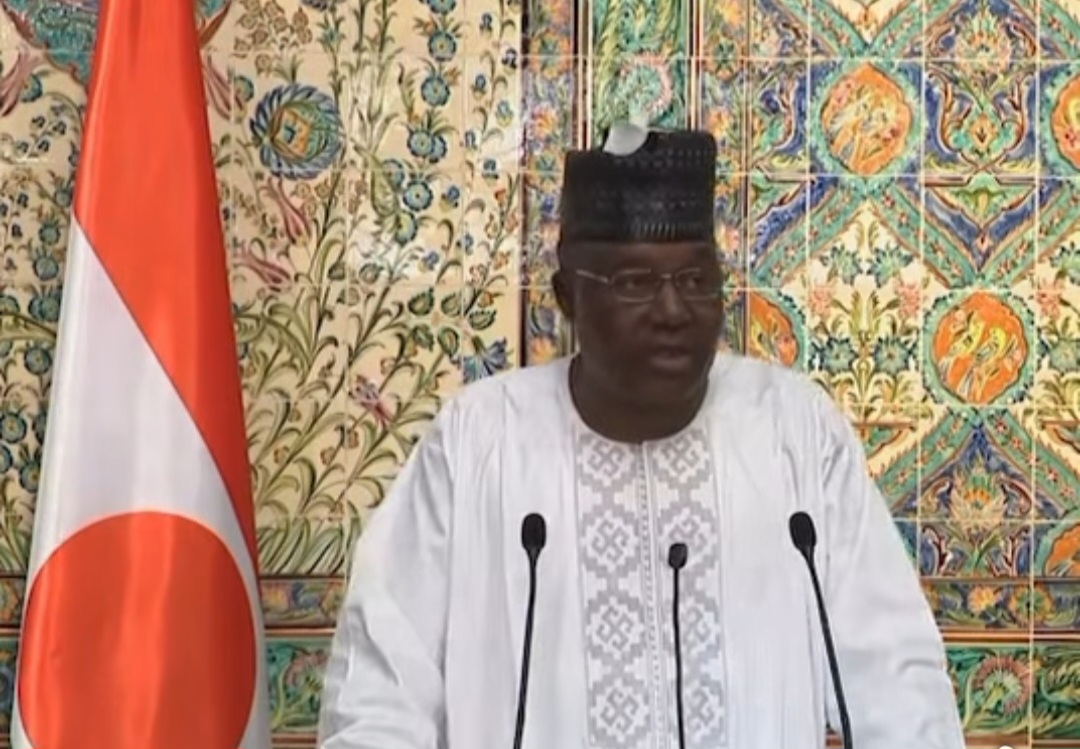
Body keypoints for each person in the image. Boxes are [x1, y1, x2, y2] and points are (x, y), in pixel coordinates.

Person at [316, 123, 966, 749]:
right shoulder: (479, 442)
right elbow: (380, 695)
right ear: (567, 296)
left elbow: (897, 687)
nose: (673, 310)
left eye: (695, 280)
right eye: (635, 282)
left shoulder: (793, 431)